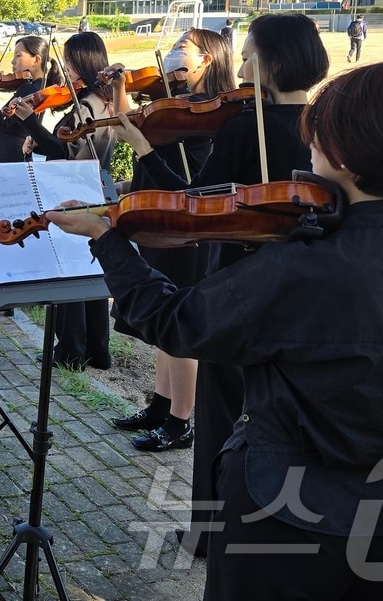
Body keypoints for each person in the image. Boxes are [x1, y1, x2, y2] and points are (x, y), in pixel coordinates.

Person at [47, 60, 383, 601]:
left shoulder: (303, 269)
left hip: (279, 511)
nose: (309, 154)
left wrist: (107, 240)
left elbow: (174, 323)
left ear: (340, 156)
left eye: (316, 141)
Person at [115, 12, 329, 555]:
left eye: (251, 52)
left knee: (221, 417)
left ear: (273, 61)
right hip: (307, 292)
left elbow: (193, 206)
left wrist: (143, 151)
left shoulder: (244, 124)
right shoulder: (329, 124)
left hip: (241, 286)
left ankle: (210, 534)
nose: (244, 64)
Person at [110, 28, 237, 454]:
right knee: (165, 323)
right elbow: (129, 122)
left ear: (208, 59)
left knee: (180, 325)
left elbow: (191, 186)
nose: (173, 54)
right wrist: (119, 85)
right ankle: (160, 405)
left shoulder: (210, 115)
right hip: (161, 223)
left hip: (187, 231)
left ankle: (182, 421)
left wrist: (144, 145)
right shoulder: (177, 102)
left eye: (183, 47)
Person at [9, 31, 117, 370]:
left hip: (76, 192)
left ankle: (70, 350)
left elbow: (66, 149)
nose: (66, 68)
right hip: (97, 187)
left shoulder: (86, 104)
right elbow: (70, 143)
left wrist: (31, 124)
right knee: (92, 272)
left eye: (70, 62)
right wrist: (38, 142)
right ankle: (97, 349)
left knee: (70, 272)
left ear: (84, 62)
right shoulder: (104, 99)